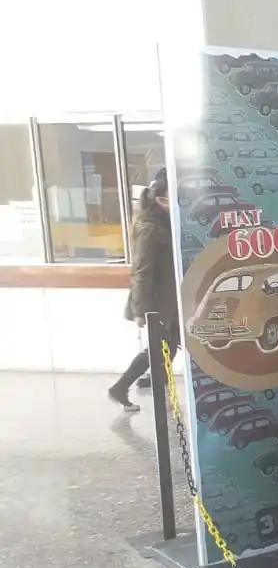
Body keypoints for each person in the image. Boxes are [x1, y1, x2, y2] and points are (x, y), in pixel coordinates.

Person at [109, 169, 179, 412]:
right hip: (156, 302)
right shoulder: (150, 227)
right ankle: (121, 387)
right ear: (161, 199)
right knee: (160, 348)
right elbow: (141, 270)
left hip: (169, 300)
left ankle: (154, 384)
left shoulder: (167, 222)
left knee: (169, 346)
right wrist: (140, 310)